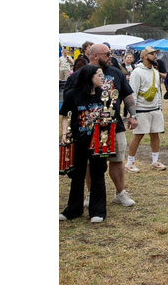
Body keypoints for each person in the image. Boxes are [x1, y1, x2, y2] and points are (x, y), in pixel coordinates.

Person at [63, 43, 137, 208]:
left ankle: (120, 193)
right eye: (107, 54)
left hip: (114, 125)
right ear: (95, 56)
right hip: (87, 128)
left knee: (117, 160)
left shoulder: (115, 72)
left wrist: (133, 115)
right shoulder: (77, 76)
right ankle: (92, 193)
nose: (111, 57)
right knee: (91, 163)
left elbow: (127, 95)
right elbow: (69, 101)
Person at [59, 65, 108, 223]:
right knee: (77, 175)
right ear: (89, 77)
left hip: (99, 141)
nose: (102, 78)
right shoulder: (72, 95)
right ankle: (73, 210)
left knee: (98, 175)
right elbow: (65, 116)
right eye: (99, 75)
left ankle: (98, 211)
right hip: (79, 141)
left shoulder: (104, 94)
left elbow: (109, 114)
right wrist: (64, 134)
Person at [126, 46, 167, 172]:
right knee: (138, 135)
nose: (155, 56)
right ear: (144, 56)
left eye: (155, 53)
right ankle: (130, 162)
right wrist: (133, 113)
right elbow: (132, 93)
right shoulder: (137, 72)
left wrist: (159, 106)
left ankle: (155, 160)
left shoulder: (155, 71)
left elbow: (158, 90)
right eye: (152, 54)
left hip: (154, 109)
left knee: (155, 134)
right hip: (141, 109)